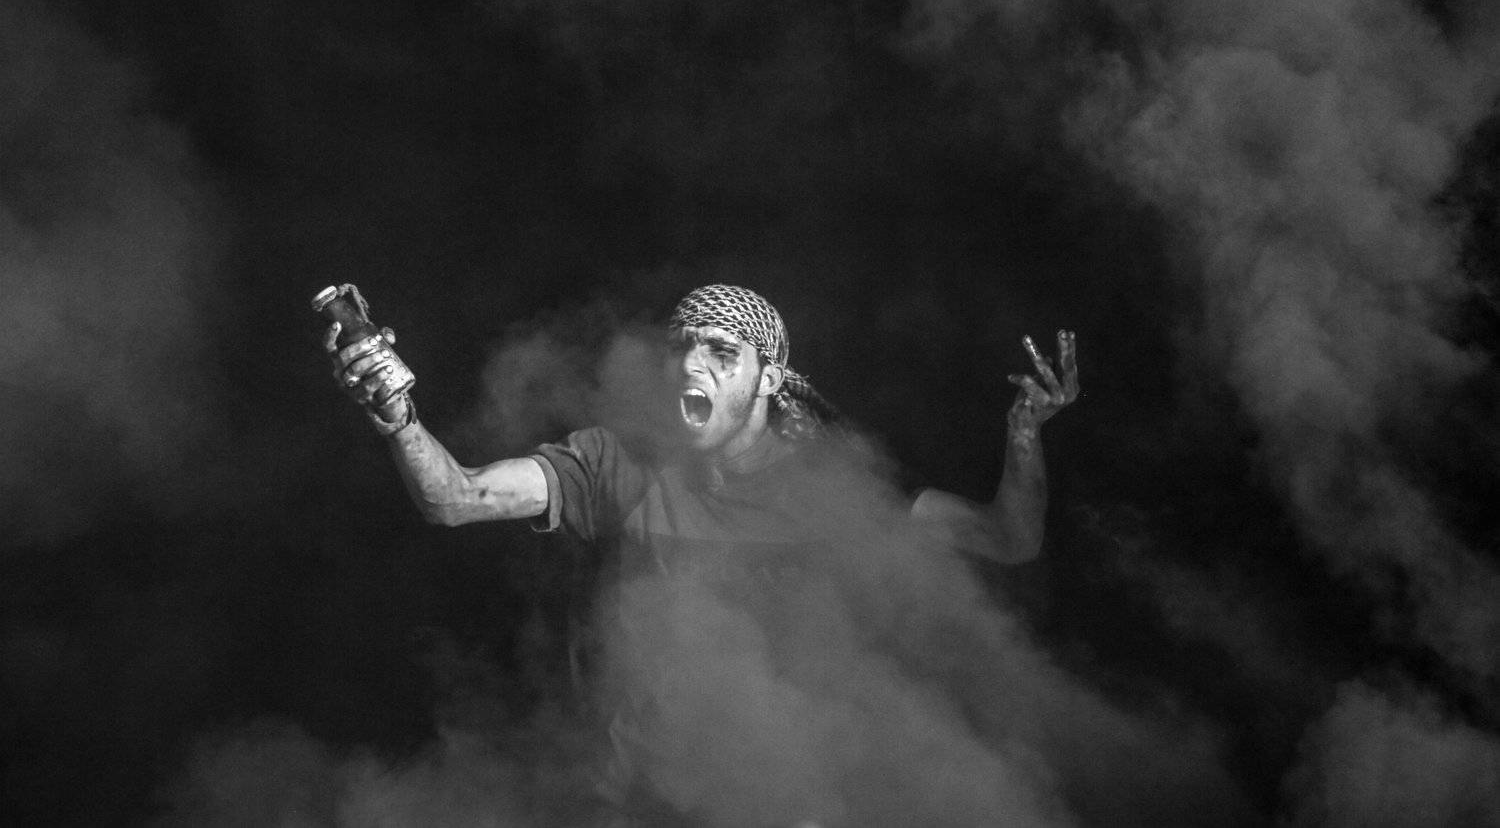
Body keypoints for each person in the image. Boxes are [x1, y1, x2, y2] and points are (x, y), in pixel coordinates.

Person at [323, 283, 1079, 824]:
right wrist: (396, 415)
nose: (692, 366)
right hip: (641, 799)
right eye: (682, 348)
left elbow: (1009, 540)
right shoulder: (617, 466)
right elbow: (456, 497)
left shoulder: (835, 488)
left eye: (722, 353)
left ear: (769, 380)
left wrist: (1024, 434)